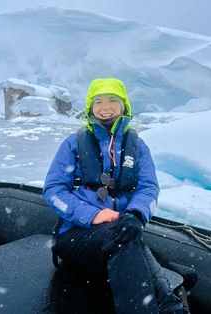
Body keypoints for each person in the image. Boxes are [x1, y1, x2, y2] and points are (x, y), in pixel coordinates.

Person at [42, 78, 187, 313]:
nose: (105, 107)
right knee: (123, 237)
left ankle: (171, 307)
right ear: (90, 107)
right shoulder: (73, 144)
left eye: (112, 100)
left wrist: (135, 215)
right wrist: (91, 215)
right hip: (76, 236)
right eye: (98, 101)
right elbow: (53, 191)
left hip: (119, 234)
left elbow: (148, 188)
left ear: (124, 106)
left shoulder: (137, 146)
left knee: (125, 234)